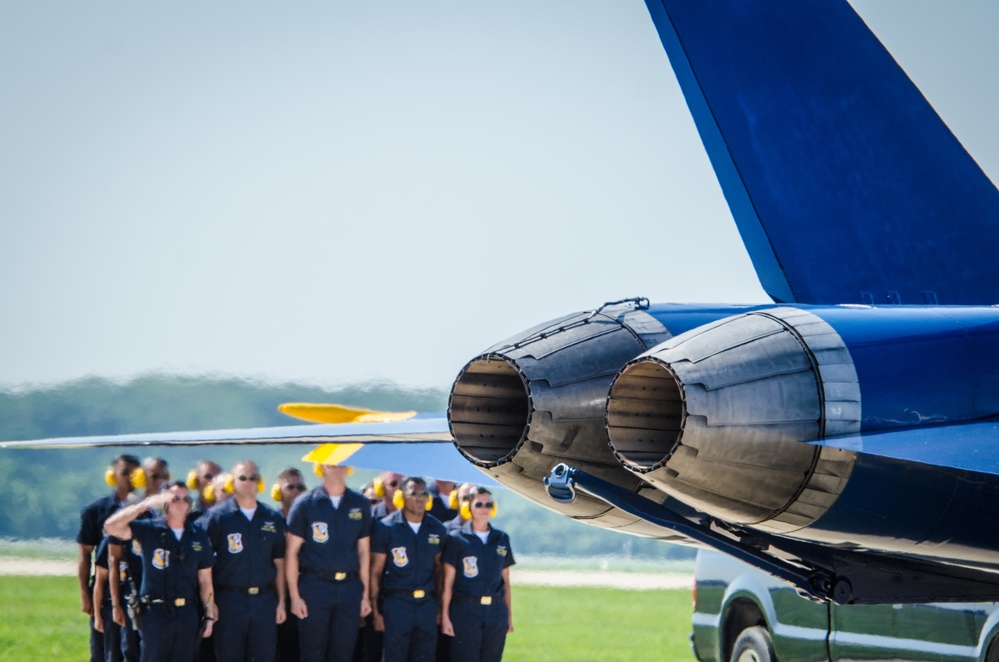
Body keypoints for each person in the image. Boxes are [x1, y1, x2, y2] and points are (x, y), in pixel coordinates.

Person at [104, 481, 217, 662]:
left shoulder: (198, 535)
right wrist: (144, 504)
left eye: (185, 499)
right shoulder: (150, 529)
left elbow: (205, 580)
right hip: (155, 612)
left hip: (187, 611)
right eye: (175, 499)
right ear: (165, 503)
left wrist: (209, 615)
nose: (181, 503)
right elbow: (111, 526)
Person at [285, 447, 372, 662]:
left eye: (342, 463)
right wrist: (295, 597)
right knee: (312, 651)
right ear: (321, 467)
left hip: (349, 587)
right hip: (315, 586)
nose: (338, 469)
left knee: (343, 652)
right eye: (332, 464)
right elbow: (292, 553)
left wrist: (364, 595)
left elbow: (364, 552)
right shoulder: (305, 504)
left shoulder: (359, 504)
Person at [199, 461, 287, 662]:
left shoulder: (272, 518)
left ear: (260, 482)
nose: (248, 482)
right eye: (243, 478)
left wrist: (281, 602)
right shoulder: (217, 517)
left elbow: (279, 563)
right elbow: (204, 565)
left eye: (253, 478)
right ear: (233, 482)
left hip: (264, 601)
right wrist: (210, 603)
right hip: (229, 600)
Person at [370, 477, 446, 662]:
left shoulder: (437, 528)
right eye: (414, 493)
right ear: (402, 496)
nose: (420, 498)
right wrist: (375, 611)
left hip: (427, 605)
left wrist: (440, 609)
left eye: (424, 494)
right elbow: (376, 572)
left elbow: (439, 571)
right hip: (397, 604)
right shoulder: (386, 527)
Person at [79, 454, 141, 662]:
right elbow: (86, 554)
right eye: (125, 473)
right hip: (105, 591)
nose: (130, 478)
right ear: (113, 475)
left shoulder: (146, 510)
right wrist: (85, 593)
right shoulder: (96, 511)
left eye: (135, 473)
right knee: (103, 649)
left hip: (136, 589)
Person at [440, 487, 514, 662]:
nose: (484, 508)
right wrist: (445, 616)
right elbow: (447, 582)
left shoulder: (501, 538)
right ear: (469, 507)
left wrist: (508, 616)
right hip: (466, 610)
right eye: (479, 504)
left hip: (496, 611)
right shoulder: (456, 539)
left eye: (488, 504)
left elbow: (505, 582)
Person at [273, 468, 307, 662]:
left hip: (305, 594)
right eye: (290, 487)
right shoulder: (272, 521)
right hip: (278, 595)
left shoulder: (310, 521)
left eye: (300, 487)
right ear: (278, 492)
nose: (296, 491)